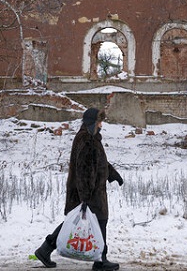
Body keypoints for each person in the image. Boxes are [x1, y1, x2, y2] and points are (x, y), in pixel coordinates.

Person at [35, 108, 124, 270]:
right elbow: (84, 170)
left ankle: (45, 249)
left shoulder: (91, 138)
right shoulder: (86, 140)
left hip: (89, 192)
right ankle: (100, 260)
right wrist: (85, 197)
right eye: (99, 121)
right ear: (92, 122)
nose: (101, 125)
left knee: (74, 221)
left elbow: (99, 162)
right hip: (89, 192)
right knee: (100, 221)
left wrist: (113, 175)